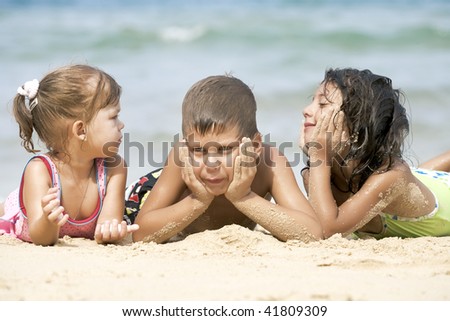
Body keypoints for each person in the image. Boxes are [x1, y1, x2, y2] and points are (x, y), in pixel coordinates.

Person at [129, 75, 322, 243]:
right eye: (198, 149)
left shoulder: (270, 162)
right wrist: (197, 200)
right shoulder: (181, 157)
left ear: (254, 146)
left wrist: (244, 197)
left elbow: (312, 232)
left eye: (225, 149)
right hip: (145, 191)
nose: (211, 163)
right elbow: (141, 234)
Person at [300, 67, 450, 239]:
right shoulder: (317, 174)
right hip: (420, 179)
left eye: (323, 104)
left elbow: (329, 230)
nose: (306, 110)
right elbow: (320, 224)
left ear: (357, 124)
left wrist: (319, 157)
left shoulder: (392, 175)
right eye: (312, 101)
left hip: (443, 193)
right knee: (422, 174)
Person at [0, 64, 138, 245]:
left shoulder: (114, 168)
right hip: (21, 214)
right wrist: (48, 222)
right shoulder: (40, 170)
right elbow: (41, 238)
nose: (122, 125)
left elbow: (108, 222)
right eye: (113, 117)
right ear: (81, 130)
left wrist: (110, 230)